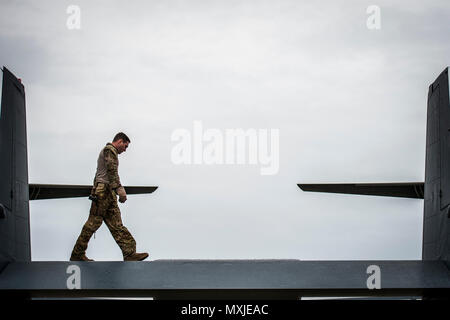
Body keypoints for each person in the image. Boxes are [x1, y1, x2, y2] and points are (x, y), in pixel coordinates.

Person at [70, 132, 149, 261]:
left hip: (108, 192)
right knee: (93, 223)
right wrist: (119, 189)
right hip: (103, 192)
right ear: (119, 141)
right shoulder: (109, 150)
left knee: (117, 224)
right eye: (125, 146)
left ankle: (129, 253)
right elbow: (111, 171)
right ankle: (77, 254)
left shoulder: (111, 152)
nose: (125, 150)